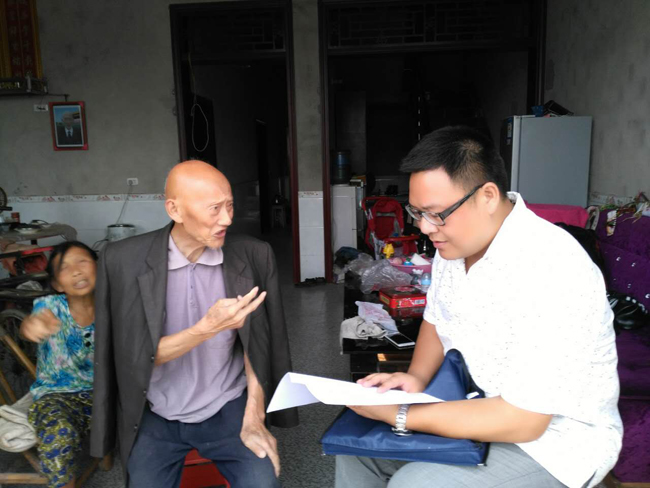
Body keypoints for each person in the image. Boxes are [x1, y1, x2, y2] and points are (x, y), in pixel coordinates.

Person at [336, 126, 622, 488]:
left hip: (553, 443)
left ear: (487, 196)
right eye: (417, 212)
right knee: (356, 447)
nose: (425, 227)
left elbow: (525, 420)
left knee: (415, 484)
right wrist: (416, 378)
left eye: (436, 213)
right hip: (476, 406)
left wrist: (401, 414)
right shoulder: (454, 247)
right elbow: (437, 319)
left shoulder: (552, 267)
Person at [90, 160, 298, 487]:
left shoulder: (253, 254)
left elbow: (259, 344)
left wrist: (254, 414)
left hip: (229, 406)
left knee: (263, 481)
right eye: (214, 209)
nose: (227, 219)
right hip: (154, 411)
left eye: (230, 206)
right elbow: (131, 359)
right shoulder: (123, 261)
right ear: (174, 210)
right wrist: (206, 328)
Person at [20, 241, 98, 488]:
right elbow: (31, 324)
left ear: (98, 267)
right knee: (59, 433)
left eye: (82, 261)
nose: (76, 271)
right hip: (56, 395)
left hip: (103, 392)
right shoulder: (50, 307)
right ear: (57, 284)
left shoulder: (112, 305)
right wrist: (31, 326)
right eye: (65, 268)